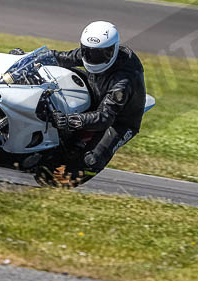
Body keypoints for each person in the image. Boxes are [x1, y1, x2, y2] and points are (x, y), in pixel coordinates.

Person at [47, 21, 146, 174]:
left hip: (119, 120)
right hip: (96, 92)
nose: (93, 58)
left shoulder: (123, 81)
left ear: (113, 50)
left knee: (92, 160)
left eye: (100, 54)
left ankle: (67, 179)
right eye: (87, 52)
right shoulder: (89, 52)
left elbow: (104, 118)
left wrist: (69, 120)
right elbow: (62, 57)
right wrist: (28, 57)